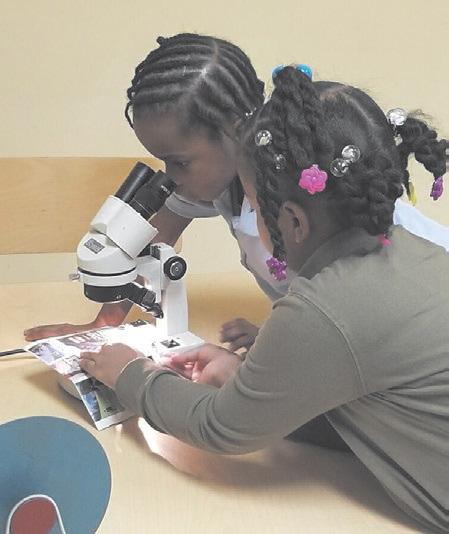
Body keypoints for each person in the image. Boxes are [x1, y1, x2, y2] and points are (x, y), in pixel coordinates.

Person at [79, 65, 449, 533]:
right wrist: (251, 381)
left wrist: (129, 373)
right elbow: (371, 395)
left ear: (293, 222)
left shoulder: (324, 309)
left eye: (254, 206)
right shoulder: (420, 254)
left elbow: (218, 428)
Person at [24, 33, 449, 354]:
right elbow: (152, 242)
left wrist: (278, 351)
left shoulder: (312, 200)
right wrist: (104, 325)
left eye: (180, 162)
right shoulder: (217, 183)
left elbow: (359, 314)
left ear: (234, 129)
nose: (170, 177)